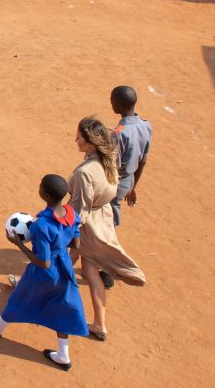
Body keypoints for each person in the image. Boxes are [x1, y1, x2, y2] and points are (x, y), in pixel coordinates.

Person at [0, 173, 88, 372]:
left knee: (19, 297)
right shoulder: (72, 214)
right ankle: (63, 355)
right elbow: (76, 243)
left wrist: (18, 244)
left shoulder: (41, 226)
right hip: (65, 270)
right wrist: (59, 243)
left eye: (40, 187)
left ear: (46, 196)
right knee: (62, 308)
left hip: (45, 273)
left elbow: (43, 261)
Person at [69, 116, 146, 342]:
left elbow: (80, 209)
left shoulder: (86, 172)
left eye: (80, 137)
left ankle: (26, 290)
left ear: (92, 143)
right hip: (102, 221)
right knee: (91, 273)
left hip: (85, 229)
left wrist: (67, 230)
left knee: (56, 261)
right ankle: (100, 325)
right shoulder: (109, 160)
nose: (76, 139)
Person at [109, 86, 151, 227]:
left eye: (112, 101)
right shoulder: (145, 125)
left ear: (119, 105)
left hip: (116, 183)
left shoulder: (119, 133)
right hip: (129, 180)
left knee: (109, 217)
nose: (111, 103)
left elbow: (113, 166)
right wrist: (132, 187)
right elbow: (143, 160)